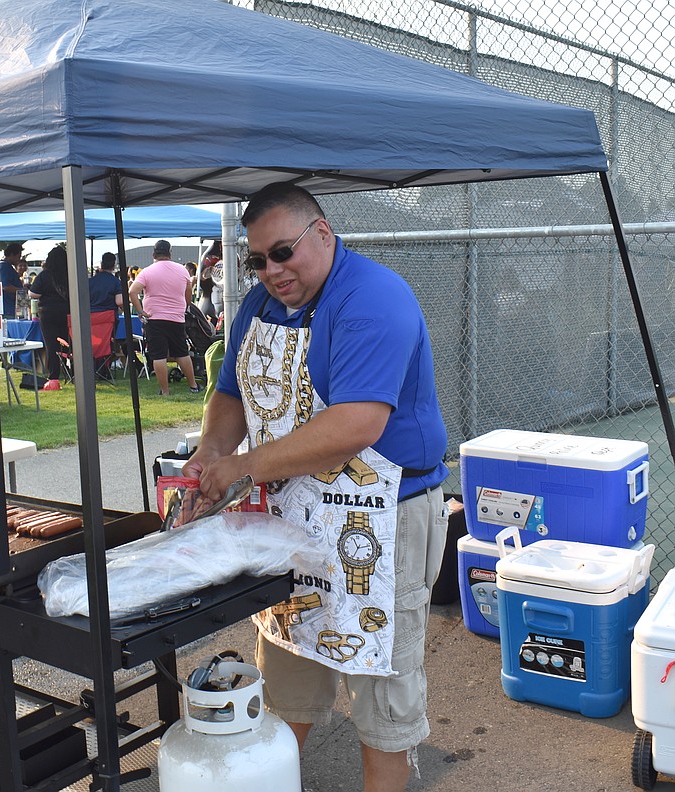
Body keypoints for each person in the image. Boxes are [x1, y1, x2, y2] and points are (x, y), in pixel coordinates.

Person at [184, 183, 449, 792]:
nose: (271, 271)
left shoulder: (371, 298)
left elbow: (356, 424)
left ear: (322, 233)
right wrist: (211, 454)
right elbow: (228, 393)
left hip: (381, 520)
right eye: (257, 260)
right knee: (288, 671)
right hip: (294, 517)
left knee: (381, 694)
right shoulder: (257, 306)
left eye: (283, 252)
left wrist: (245, 466)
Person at [129, 239, 200, 396]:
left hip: (154, 318)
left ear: (153, 254)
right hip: (176, 317)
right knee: (182, 353)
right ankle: (193, 385)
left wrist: (140, 311)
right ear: (170, 253)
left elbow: (132, 292)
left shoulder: (147, 272)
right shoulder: (182, 271)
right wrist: (185, 305)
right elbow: (188, 292)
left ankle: (165, 390)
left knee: (159, 355)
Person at [28, 246, 71, 391]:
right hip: (67, 313)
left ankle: (53, 377)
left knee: (51, 345)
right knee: (66, 342)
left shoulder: (44, 275)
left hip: (48, 313)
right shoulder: (69, 274)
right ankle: (68, 371)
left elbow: (33, 294)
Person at [0, 243, 25, 318]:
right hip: (8, 309)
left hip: (8, 308)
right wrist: (23, 290)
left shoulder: (4, 266)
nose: (19, 260)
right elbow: (6, 287)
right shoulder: (4, 267)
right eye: (18, 257)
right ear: (12, 255)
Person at [197, 240, 222, 322]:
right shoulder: (210, 257)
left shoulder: (232, 256)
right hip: (210, 292)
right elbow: (201, 277)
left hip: (219, 291)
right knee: (201, 318)